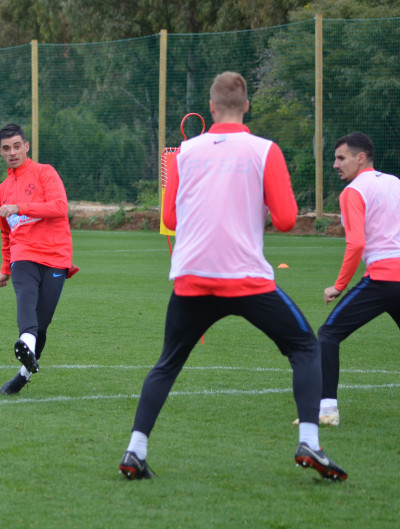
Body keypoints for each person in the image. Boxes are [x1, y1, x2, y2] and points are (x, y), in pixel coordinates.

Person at [118, 72, 346, 481]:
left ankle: (135, 450)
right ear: (246, 106)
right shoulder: (264, 150)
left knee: (167, 364)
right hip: (245, 278)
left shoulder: (184, 151)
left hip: (192, 277)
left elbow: (169, 217)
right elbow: (288, 220)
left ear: (210, 107)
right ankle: (309, 441)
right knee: (306, 348)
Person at [315, 132, 400, 426]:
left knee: (328, 335)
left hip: (381, 280)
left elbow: (356, 244)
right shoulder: (395, 183)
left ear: (360, 158)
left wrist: (338, 286)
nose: (335, 164)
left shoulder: (353, 192)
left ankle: (326, 411)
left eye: (341, 158)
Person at [0, 123, 77, 395]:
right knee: (26, 297)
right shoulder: (2, 189)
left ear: (26, 146)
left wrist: (21, 206)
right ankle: (25, 343)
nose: (12, 152)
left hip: (55, 255)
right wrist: (5, 268)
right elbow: (7, 234)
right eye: (6, 148)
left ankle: (23, 374)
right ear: (0, 152)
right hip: (23, 254)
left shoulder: (44, 172)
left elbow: (59, 208)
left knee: (43, 321)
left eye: (17, 146)